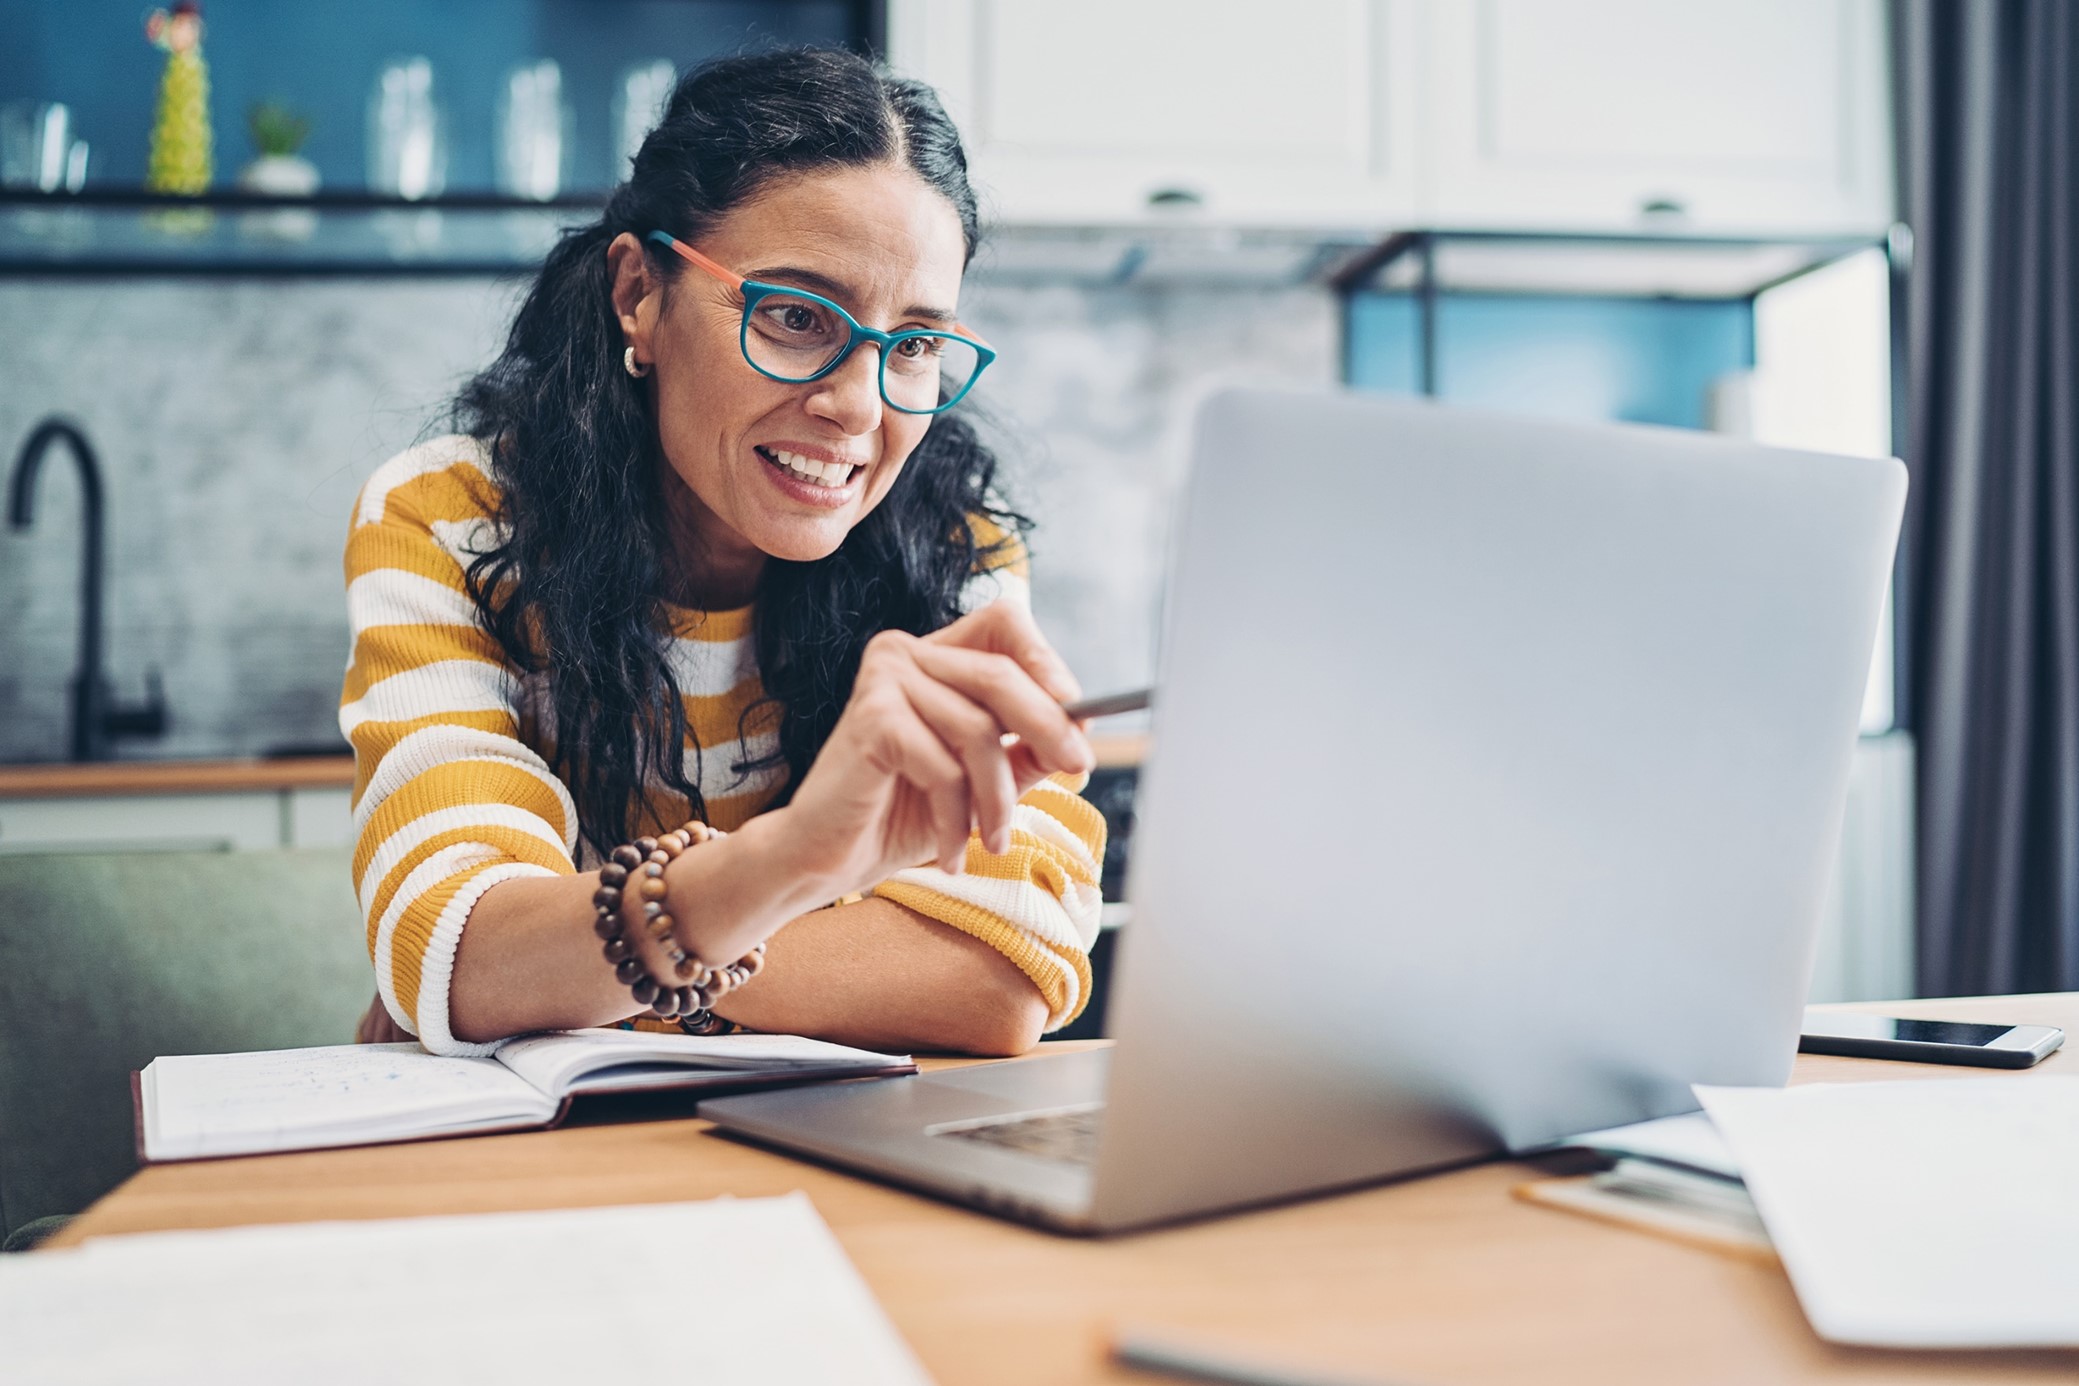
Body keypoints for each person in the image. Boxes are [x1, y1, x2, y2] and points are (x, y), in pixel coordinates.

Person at [341, 47, 1105, 1058]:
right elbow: (462, 952)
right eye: (795, 317)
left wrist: (583, 969)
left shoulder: (959, 541)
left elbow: (1003, 980)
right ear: (638, 295)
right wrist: (792, 868)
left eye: (914, 344)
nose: (857, 407)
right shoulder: (455, 516)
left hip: (834, 1155)